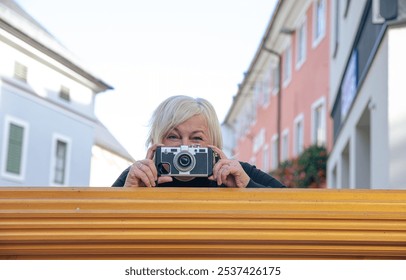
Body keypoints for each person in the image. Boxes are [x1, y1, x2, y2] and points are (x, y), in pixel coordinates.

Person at [112, 95, 286, 188]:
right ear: (157, 141)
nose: (185, 147)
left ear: (214, 143)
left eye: (196, 138)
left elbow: (290, 204)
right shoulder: (139, 176)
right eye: (173, 136)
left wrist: (247, 185)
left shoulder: (235, 173)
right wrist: (130, 194)